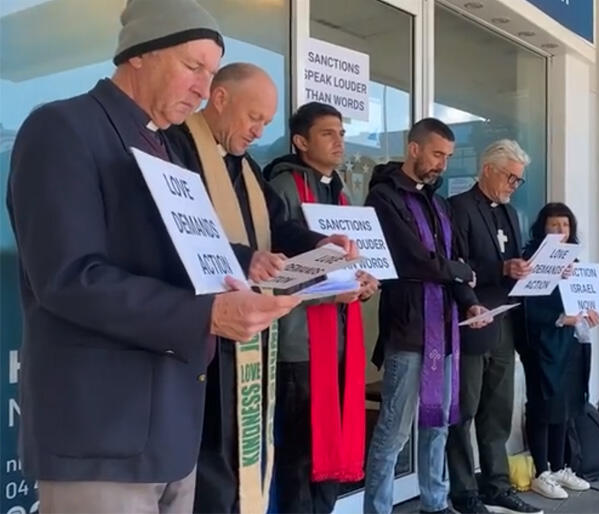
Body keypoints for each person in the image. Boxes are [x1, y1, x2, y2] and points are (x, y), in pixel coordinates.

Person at [5, 1, 300, 512]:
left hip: (173, 429)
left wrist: (240, 259)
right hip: (101, 432)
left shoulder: (165, 147)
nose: (204, 90)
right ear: (137, 55)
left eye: (210, 73)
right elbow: (70, 277)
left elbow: (169, 248)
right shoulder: (62, 129)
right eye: (193, 67)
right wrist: (207, 314)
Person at [164, 67, 355, 513]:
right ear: (221, 97)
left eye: (266, 123)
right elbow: (178, 231)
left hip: (247, 338)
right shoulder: (175, 147)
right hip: (200, 336)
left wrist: (319, 244)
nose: (258, 130)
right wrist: (244, 256)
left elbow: (278, 226)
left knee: (241, 465)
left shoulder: (246, 165)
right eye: (254, 117)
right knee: (209, 467)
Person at [362, 118, 490, 514]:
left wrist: (469, 301)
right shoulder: (384, 198)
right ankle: (377, 509)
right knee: (394, 432)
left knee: (438, 425)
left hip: (446, 328)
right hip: (408, 331)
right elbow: (410, 259)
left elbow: (453, 261)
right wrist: (457, 271)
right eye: (437, 154)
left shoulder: (437, 203)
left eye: (448, 157)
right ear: (413, 149)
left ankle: (435, 503)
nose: (442, 165)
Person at [265, 101, 380, 513]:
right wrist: (332, 292)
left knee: (332, 450)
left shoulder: (342, 191)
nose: (339, 141)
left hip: (339, 341)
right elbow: (272, 270)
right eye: (327, 133)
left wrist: (362, 281)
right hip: (299, 344)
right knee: (299, 455)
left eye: (342, 133)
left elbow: (347, 261)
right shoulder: (281, 188)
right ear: (300, 141)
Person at [447, 140, 542, 514]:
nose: (514, 186)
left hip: (504, 321)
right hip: (473, 321)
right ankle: (464, 491)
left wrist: (537, 269)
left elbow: (513, 259)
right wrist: (500, 269)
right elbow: (456, 266)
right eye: (511, 177)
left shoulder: (510, 214)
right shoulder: (458, 209)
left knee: (498, 409)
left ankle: (496, 484)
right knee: (464, 408)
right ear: (488, 169)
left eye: (519, 180)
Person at [521, 203, 599, 500]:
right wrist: (558, 318)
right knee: (543, 406)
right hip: (542, 343)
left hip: (570, 343)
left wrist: (591, 314)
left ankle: (559, 467)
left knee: (565, 406)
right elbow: (526, 308)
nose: (559, 232)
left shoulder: (575, 262)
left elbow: (583, 301)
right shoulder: (530, 259)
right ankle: (541, 471)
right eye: (553, 226)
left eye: (564, 226)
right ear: (542, 229)